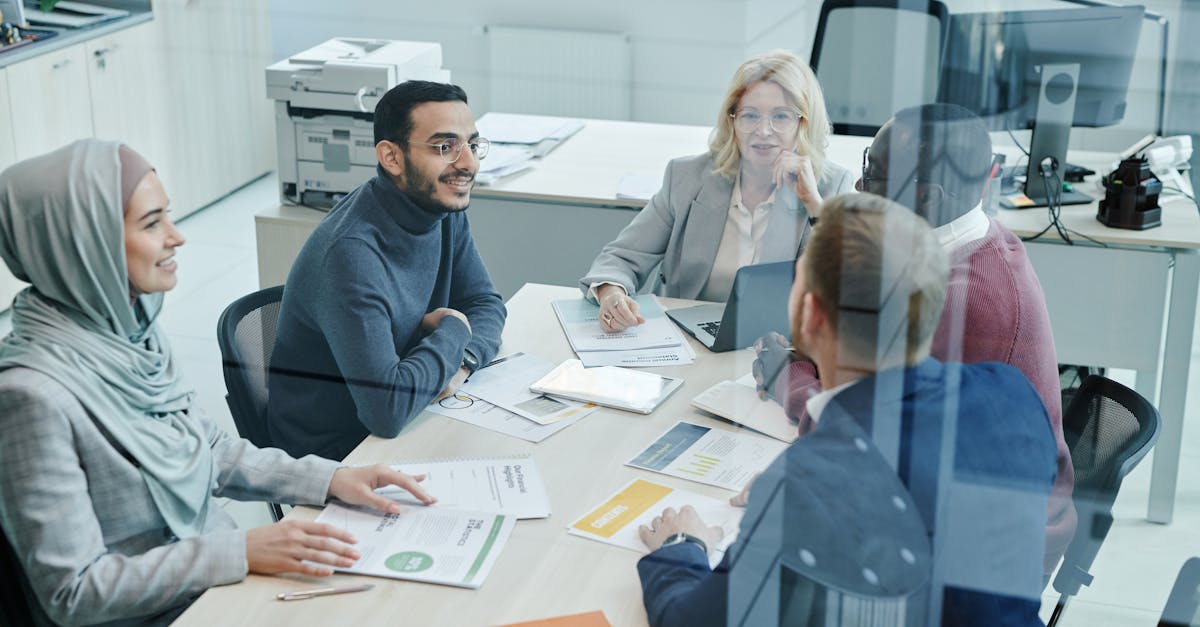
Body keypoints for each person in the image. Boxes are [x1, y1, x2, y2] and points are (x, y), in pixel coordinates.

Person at [0, 140, 437, 626]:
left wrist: (331, 479)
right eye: (151, 224)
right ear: (83, 244)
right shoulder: (30, 396)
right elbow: (73, 592)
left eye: (168, 216)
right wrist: (239, 551)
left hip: (213, 588)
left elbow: (209, 451)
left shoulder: (130, 333)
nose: (176, 237)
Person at [637, 194, 1058, 626]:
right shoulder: (1013, 394)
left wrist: (682, 545)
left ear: (811, 316)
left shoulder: (811, 484)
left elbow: (693, 622)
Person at [755, 103, 1074, 577]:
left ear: (925, 195)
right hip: (955, 500)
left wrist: (787, 373)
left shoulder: (960, 302)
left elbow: (853, 429)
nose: (859, 185)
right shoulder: (976, 238)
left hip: (974, 556)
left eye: (874, 174)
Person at [267, 80, 506, 461]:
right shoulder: (350, 254)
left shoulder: (440, 209)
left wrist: (461, 361)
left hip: (419, 409)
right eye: (445, 147)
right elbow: (386, 411)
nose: (468, 164)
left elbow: (486, 304)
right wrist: (454, 329)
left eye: (472, 146)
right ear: (391, 157)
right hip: (340, 456)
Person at [579, 50, 855, 333]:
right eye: (750, 115)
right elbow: (622, 258)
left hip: (778, 344)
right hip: (685, 338)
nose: (763, 130)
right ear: (732, 121)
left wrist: (814, 205)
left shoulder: (830, 187)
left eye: (781, 116)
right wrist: (612, 294)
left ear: (804, 123)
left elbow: (846, 293)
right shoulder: (687, 178)